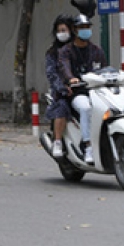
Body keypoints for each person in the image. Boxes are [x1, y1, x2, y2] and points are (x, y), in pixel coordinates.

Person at [58, 14, 107, 164]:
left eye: (87, 27)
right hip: (78, 92)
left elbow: (105, 69)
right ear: (74, 30)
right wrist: (71, 78)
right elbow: (64, 67)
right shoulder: (66, 51)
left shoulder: (96, 50)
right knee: (85, 108)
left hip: (97, 92)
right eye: (81, 28)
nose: (85, 30)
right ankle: (87, 146)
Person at [44, 14, 75, 158]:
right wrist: (63, 87)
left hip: (82, 89)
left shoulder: (79, 49)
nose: (62, 33)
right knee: (62, 107)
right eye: (59, 31)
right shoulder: (52, 53)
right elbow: (51, 74)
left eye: (65, 30)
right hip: (62, 91)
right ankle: (57, 141)